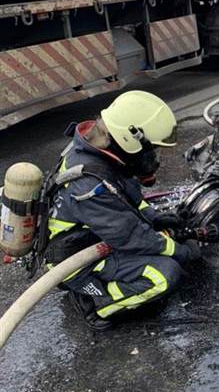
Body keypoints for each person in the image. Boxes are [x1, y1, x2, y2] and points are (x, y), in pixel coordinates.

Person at [45, 90, 200, 330]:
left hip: (97, 236)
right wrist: (176, 250)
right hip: (75, 260)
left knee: (172, 251)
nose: (154, 157)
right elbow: (129, 235)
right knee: (165, 274)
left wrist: (154, 218)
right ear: (128, 139)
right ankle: (98, 302)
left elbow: (129, 199)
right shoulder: (88, 184)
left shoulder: (100, 152)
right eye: (151, 149)